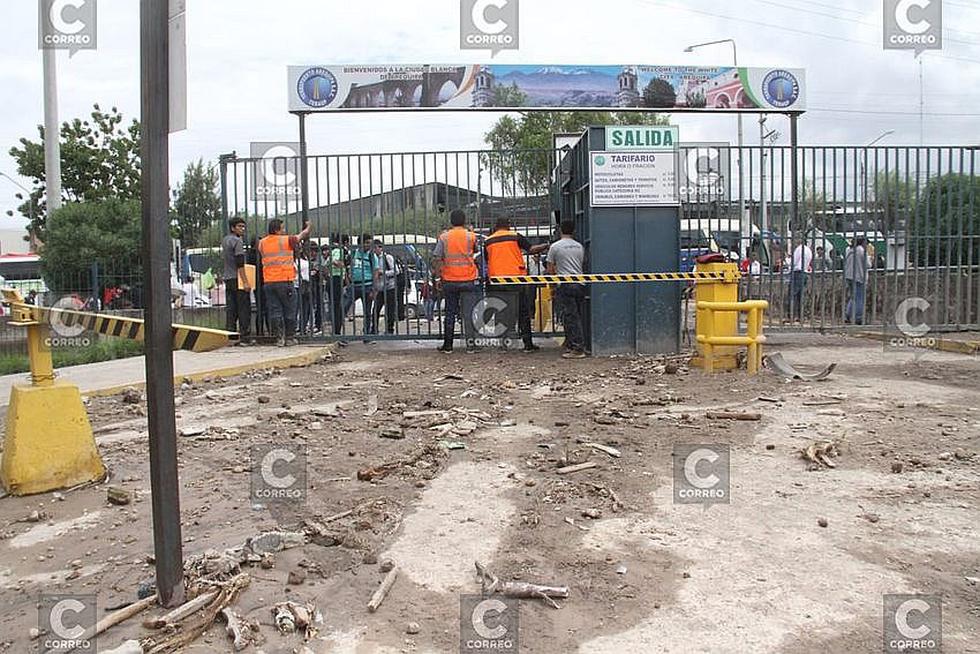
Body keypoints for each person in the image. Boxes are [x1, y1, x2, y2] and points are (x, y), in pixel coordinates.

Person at [484, 217, 548, 352]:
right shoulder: (515, 236)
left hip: (496, 281)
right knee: (522, 312)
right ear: (508, 225)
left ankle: (503, 343)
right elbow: (531, 249)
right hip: (515, 279)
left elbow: (487, 259)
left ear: (496, 226)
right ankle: (527, 344)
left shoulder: (488, 241)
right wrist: (545, 246)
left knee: (500, 312)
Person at [432, 209, 480, 353]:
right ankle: (471, 345)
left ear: (451, 221)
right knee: (469, 313)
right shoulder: (471, 236)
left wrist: (438, 277)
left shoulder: (444, 237)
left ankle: (448, 346)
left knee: (450, 313)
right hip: (468, 279)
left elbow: (436, 258)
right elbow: (476, 251)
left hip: (450, 280)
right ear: (464, 220)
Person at [258, 218, 310, 346]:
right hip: (284, 280)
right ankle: (289, 338)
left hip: (269, 282)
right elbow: (302, 236)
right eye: (283, 228)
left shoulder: (262, 243)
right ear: (277, 230)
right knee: (290, 310)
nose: (285, 230)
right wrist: (308, 228)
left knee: (275, 311)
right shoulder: (286, 240)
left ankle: (279, 338)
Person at [546, 220, 587, 359]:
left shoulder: (555, 247)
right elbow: (582, 263)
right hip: (580, 284)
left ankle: (577, 348)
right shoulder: (579, 246)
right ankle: (572, 344)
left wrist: (553, 285)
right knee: (576, 315)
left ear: (560, 230)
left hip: (565, 284)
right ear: (573, 231)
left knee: (570, 317)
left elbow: (550, 268)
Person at [343, 234, 375, 334]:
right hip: (354, 286)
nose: (369, 246)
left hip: (367, 285)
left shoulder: (371, 255)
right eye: (367, 243)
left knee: (367, 312)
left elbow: (376, 272)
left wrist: (374, 288)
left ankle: (366, 334)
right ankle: (340, 332)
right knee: (344, 307)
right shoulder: (352, 254)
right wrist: (348, 283)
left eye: (370, 243)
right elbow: (346, 268)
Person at [372, 240, 399, 334]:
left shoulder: (387, 258)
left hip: (389, 287)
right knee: (375, 310)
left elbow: (396, 271)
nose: (375, 250)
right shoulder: (373, 258)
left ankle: (390, 329)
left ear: (381, 248)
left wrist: (383, 272)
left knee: (390, 310)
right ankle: (374, 329)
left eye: (376, 247)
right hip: (379, 288)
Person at [784, 236, 812, 324]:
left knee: (792, 295)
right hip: (804, 273)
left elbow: (793, 262)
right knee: (800, 296)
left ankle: (791, 316)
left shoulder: (799, 249)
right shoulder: (808, 250)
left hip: (797, 273)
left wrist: (787, 260)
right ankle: (801, 316)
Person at [844, 236, 869, 325]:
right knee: (859, 298)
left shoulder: (849, 250)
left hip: (849, 276)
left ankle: (847, 314)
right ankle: (858, 317)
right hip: (859, 277)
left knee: (853, 297)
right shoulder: (862, 251)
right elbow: (868, 264)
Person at [325, 237, 345, 335]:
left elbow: (338, 263)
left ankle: (337, 330)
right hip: (333, 278)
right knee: (335, 305)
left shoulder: (338, 251)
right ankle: (336, 329)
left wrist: (332, 260)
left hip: (336, 278)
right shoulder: (336, 251)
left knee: (336, 306)